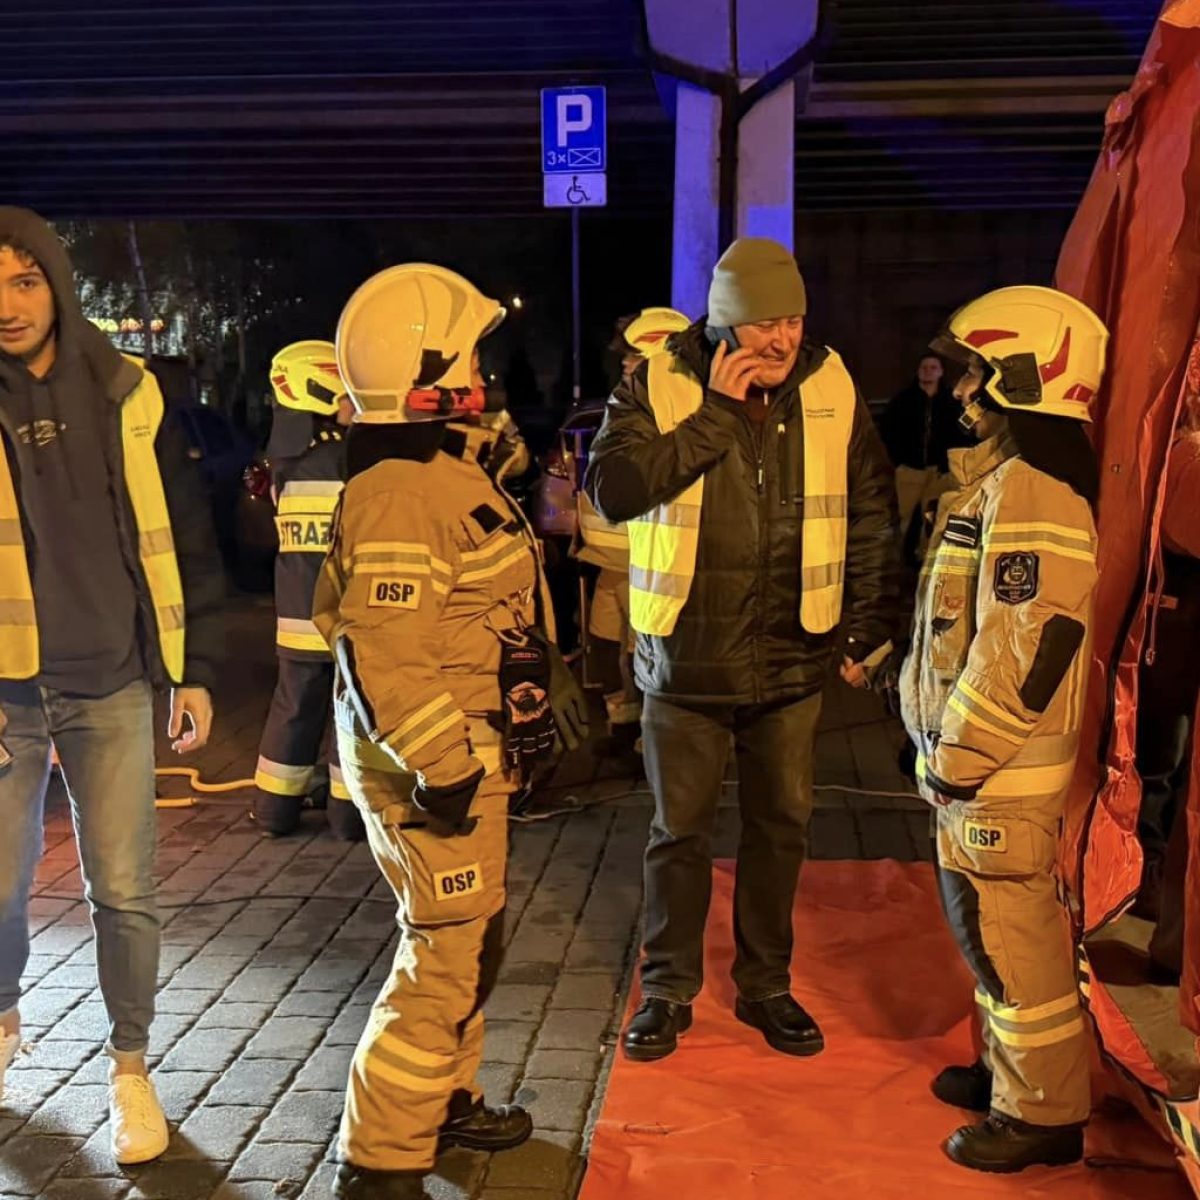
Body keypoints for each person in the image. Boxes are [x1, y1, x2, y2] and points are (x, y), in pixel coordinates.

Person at [585, 237, 899, 1063]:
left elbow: (870, 505)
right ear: (724, 324)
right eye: (764, 324)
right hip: (684, 660)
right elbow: (613, 491)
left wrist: (868, 621)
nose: (783, 339)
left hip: (794, 655)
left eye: (793, 319)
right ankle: (667, 989)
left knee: (782, 828)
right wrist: (716, 418)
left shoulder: (830, 381)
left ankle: (766, 985)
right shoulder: (658, 382)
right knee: (678, 833)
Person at [314, 263, 587, 1200]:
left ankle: (444, 1101)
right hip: (437, 768)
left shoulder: (434, 469)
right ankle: (380, 1162)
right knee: (441, 954)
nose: (481, 373)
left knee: (468, 941)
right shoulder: (400, 490)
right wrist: (443, 767)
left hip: (466, 755)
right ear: (422, 375)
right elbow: (385, 651)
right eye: (466, 359)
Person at [0, 208, 223, 1163]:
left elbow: (185, 528)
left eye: (24, 280)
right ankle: (1, 1024)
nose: (8, 305)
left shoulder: (129, 390)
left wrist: (193, 669)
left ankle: (130, 1070)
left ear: (56, 283)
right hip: (6, 687)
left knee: (124, 890)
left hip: (115, 678)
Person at [900, 285, 1108, 1172]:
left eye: (975, 374)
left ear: (1021, 379)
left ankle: (1042, 1116)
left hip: (998, 773)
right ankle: (1007, 1076)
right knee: (988, 933)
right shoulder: (1007, 481)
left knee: (1013, 942)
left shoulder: (1031, 490)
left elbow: (1026, 645)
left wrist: (959, 755)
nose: (959, 390)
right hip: (982, 768)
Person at [253, 341, 364, 840]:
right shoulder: (342, 458)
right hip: (339, 611)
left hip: (295, 613)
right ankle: (348, 816)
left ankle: (274, 811)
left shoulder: (286, 460)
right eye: (345, 393)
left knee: (293, 710)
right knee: (349, 711)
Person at [577, 308, 691, 760]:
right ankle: (623, 727)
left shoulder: (670, 418)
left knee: (643, 653)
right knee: (607, 649)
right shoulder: (625, 405)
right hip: (608, 562)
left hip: (647, 564)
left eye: (635, 358)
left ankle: (650, 740)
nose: (625, 364)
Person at [1135, 413, 1200, 979]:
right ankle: (1146, 874)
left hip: (1177, 632)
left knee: (1170, 769)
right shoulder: (1186, 454)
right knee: (1163, 763)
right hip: (1178, 632)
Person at [878, 352, 974, 564]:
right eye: (924, 367)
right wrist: (898, 460)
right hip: (909, 470)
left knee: (931, 518)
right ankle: (892, 563)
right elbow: (888, 431)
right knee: (899, 518)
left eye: (933, 368)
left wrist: (948, 462)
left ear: (941, 372)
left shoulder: (951, 402)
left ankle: (925, 561)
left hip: (939, 471)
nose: (928, 372)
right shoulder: (903, 401)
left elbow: (962, 433)